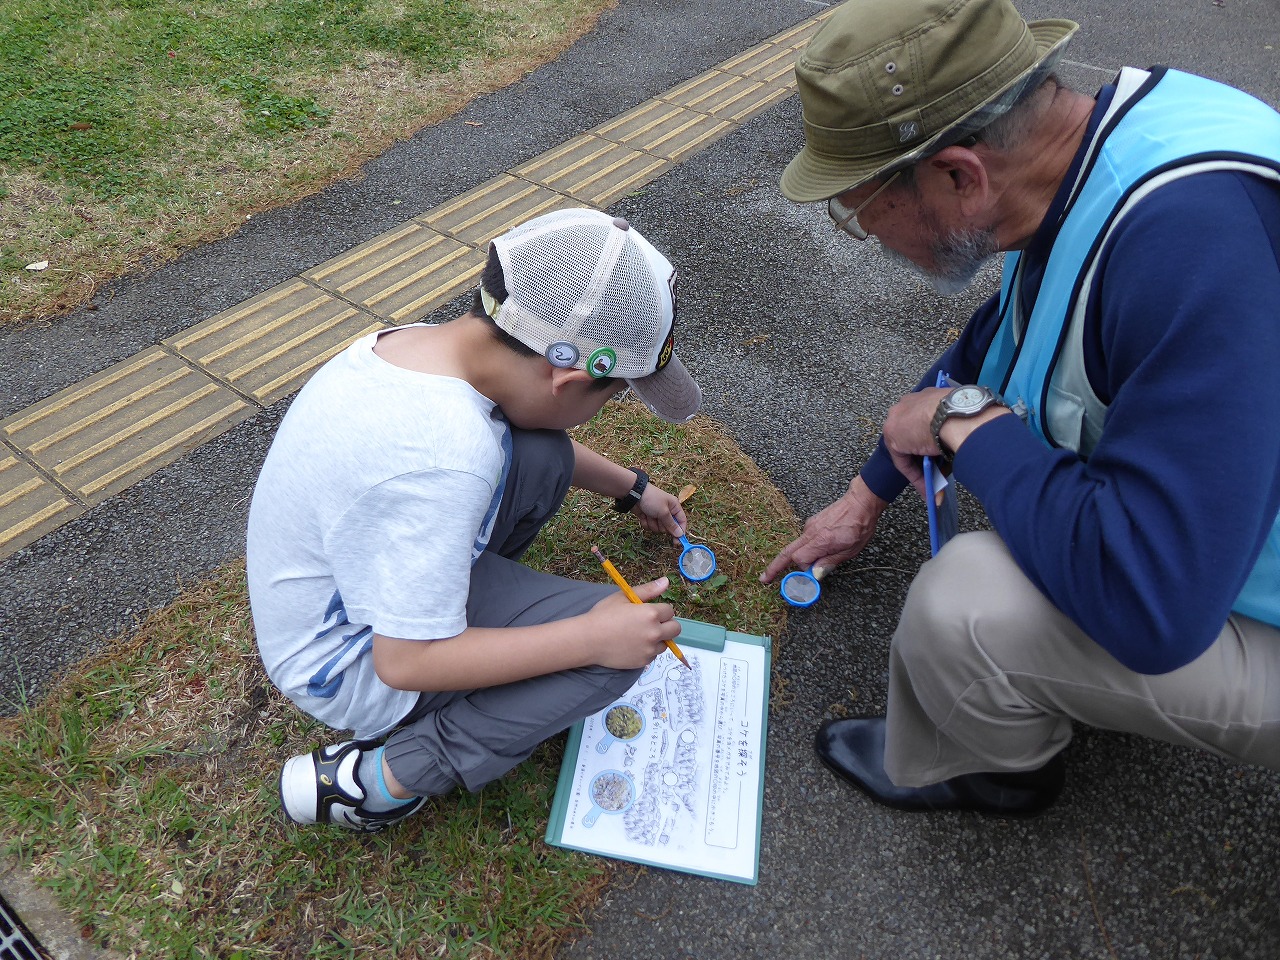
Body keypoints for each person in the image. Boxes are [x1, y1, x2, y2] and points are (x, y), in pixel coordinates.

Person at [763, 0, 1280, 816]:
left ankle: (992, 764)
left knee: (963, 601)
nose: (866, 232)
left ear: (960, 176)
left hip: (1191, 594)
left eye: (861, 210)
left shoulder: (1192, 250)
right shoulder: (1104, 155)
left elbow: (1156, 607)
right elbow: (1001, 339)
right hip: (1213, 550)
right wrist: (867, 496)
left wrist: (962, 424)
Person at [247, 208, 702, 831]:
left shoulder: (420, 346)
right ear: (566, 379)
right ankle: (380, 782)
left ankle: (464, 604)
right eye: (613, 394)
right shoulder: (445, 461)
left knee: (540, 451)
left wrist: (632, 488)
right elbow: (404, 663)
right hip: (347, 659)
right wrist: (595, 640)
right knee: (617, 655)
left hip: (344, 594)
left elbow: (530, 434)